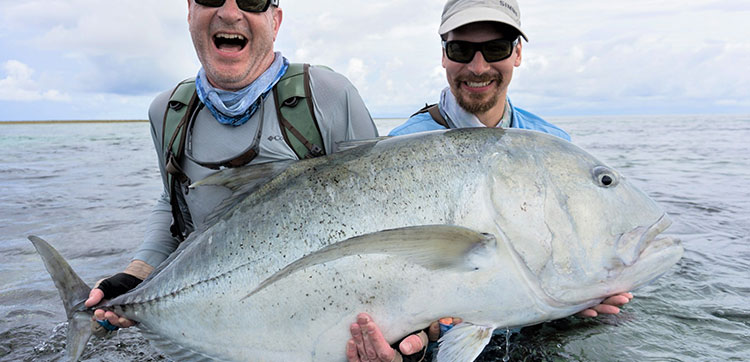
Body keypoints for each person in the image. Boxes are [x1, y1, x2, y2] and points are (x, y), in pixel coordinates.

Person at [346, 1, 633, 361]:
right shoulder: (401, 150)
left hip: (533, 330)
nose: (478, 67)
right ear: (444, 56)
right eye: (461, 50)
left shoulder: (552, 144)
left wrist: (584, 290)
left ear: (517, 53)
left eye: (495, 48)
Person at [84, 0, 377, 330]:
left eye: (252, 1)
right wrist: (138, 273)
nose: (230, 13)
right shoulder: (168, 112)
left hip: (315, 322)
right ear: (190, 12)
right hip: (210, 323)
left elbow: (379, 209)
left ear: (275, 21)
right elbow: (174, 203)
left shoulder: (327, 95)